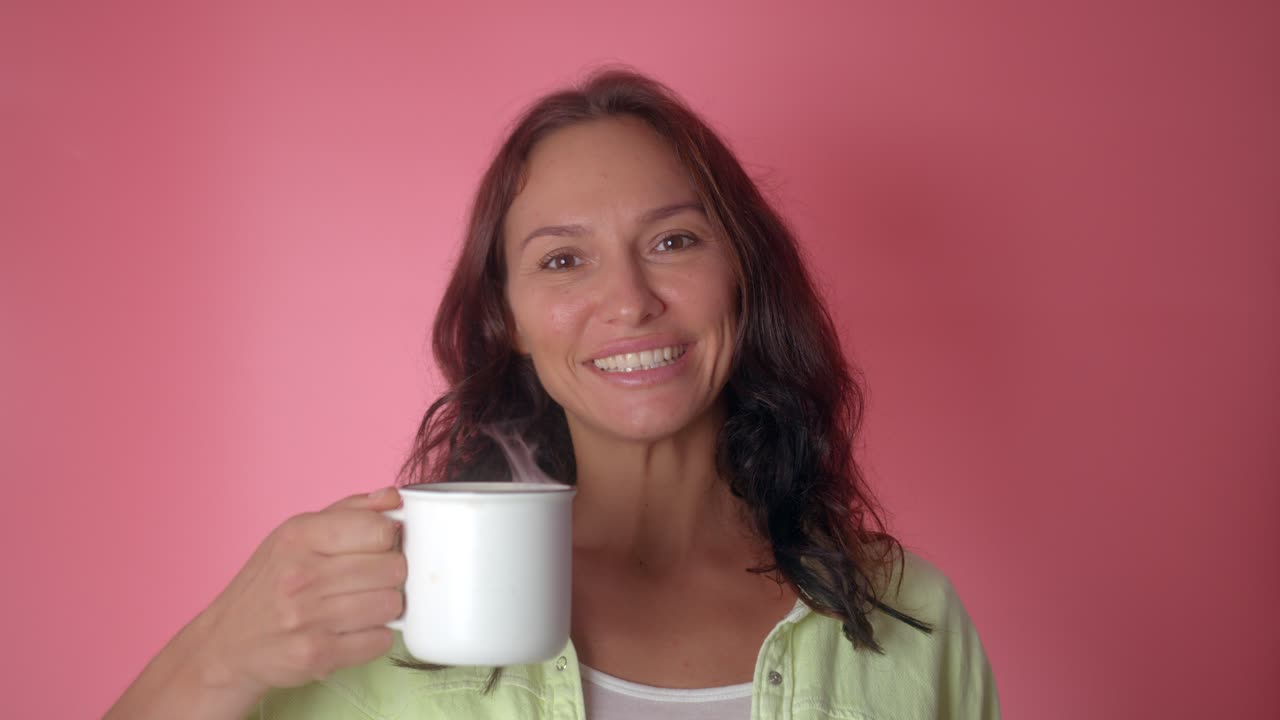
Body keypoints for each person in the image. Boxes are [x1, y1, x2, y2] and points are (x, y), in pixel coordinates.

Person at [106, 68, 1000, 720]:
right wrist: (217, 652)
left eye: (674, 242)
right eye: (564, 260)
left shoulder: (914, 620)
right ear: (510, 321)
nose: (629, 302)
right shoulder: (381, 614)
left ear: (743, 276)